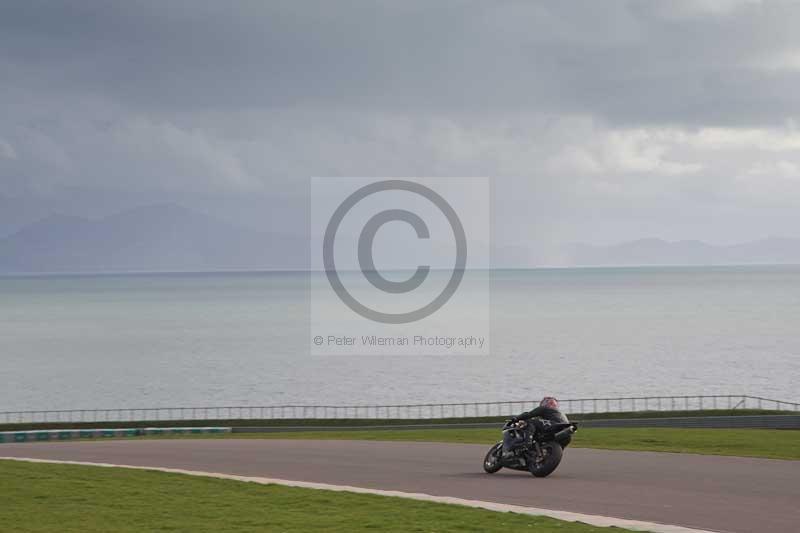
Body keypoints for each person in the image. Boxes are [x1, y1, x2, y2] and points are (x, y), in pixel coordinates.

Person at [502, 396, 569, 457]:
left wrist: (516, 418)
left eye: (552, 403)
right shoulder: (561, 413)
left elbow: (529, 414)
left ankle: (527, 442)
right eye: (551, 403)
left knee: (531, 421)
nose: (551, 404)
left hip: (554, 426)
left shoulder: (544, 408)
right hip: (565, 434)